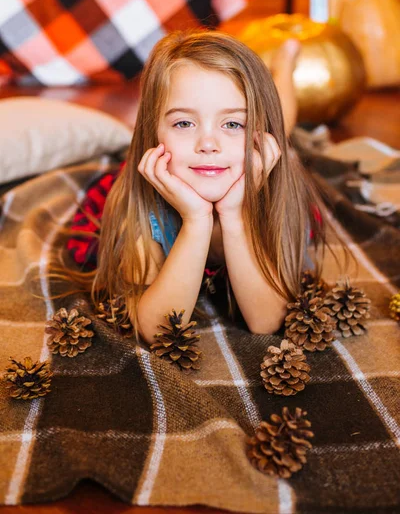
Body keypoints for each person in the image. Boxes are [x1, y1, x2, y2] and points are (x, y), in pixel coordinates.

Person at [63, 29, 355, 345]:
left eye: (232, 123)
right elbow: (156, 328)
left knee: (281, 125)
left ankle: (285, 65)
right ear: (153, 132)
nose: (208, 144)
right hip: (186, 175)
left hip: (252, 165)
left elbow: (266, 321)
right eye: (184, 123)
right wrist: (196, 221)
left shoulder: (274, 190)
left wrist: (234, 216)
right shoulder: (141, 207)